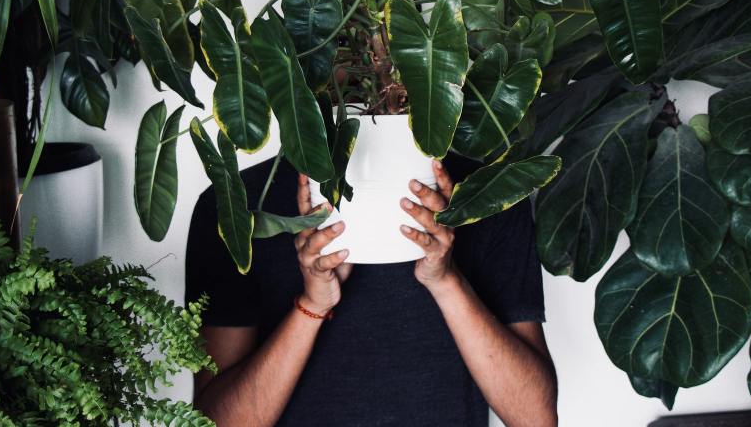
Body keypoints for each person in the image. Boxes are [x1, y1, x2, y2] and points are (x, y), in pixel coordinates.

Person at [184, 154, 558, 426]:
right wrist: (312, 305)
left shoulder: (491, 197)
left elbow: (535, 417)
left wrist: (445, 279)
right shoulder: (236, 208)